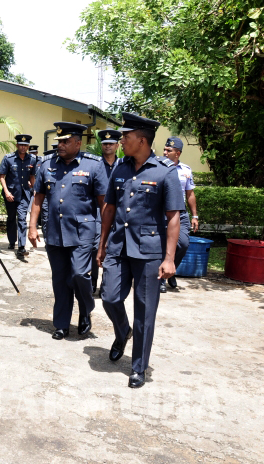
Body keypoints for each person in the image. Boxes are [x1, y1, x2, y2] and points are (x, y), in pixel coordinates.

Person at [97, 112, 184, 388]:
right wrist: (102, 244)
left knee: (145, 311)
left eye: (126, 136)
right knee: (109, 297)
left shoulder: (165, 171)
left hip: (149, 251)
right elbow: (109, 208)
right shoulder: (120, 168)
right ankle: (123, 331)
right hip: (119, 245)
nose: (121, 140)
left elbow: (173, 217)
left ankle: (138, 367)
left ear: (142, 141)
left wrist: (169, 259)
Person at [28, 122, 108, 340]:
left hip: (83, 232)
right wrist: (32, 226)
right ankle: (62, 324)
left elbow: (104, 204)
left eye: (65, 141)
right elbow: (38, 198)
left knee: (79, 274)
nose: (60, 145)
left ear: (78, 143)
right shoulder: (47, 164)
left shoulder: (94, 165)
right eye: (59, 141)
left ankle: (85, 310)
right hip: (55, 231)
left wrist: (105, 235)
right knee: (60, 280)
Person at [160, 136, 198, 292]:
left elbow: (190, 194)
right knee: (162, 244)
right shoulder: (158, 167)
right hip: (161, 212)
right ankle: (161, 278)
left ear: (178, 153)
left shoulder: (186, 170)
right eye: (164, 149)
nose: (165, 152)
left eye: (169, 150)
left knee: (183, 243)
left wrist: (195, 216)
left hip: (180, 213)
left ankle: (171, 269)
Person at [91, 129, 123, 293]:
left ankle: (107, 285)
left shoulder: (123, 166)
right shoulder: (95, 165)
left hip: (118, 214)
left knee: (113, 249)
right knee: (96, 246)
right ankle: (92, 283)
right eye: (105, 144)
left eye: (111, 144)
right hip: (98, 213)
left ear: (117, 146)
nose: (107, 146)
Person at [0, 134, 37, 257]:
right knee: (11, 218)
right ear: (17, 145)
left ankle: (21, 247)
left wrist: (34, 189)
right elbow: (2, 177)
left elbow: (32, 176)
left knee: (22, 219)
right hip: (10, 194)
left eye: (25, 145)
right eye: (21, 145)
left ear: (28, 146)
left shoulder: (32, 159)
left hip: (24, 194)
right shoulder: (8, 158)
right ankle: (12, 241)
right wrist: (6, 192)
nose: (23, 147)